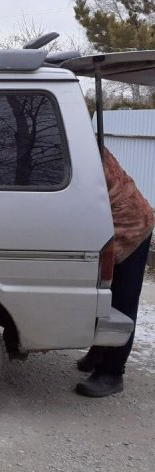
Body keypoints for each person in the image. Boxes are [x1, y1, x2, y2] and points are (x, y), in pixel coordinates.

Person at [75, 147, 154, 398]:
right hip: (108, 224)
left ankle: (112, 372)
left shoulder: (81, 147)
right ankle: (99, 353)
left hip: (131, 225)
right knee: (103, 292)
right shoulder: (80, 141)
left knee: (122, 300)